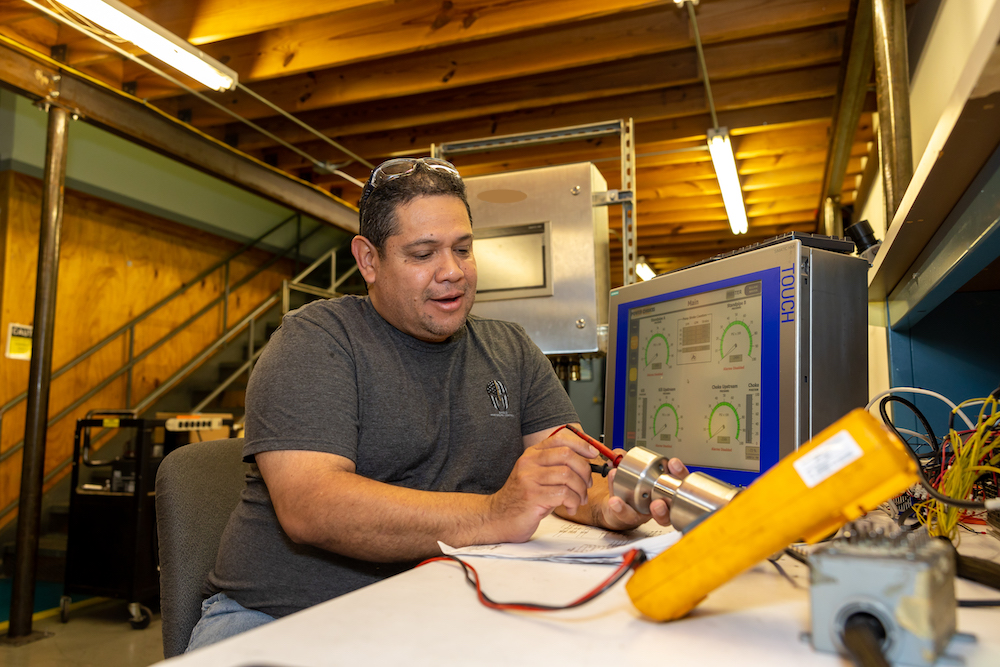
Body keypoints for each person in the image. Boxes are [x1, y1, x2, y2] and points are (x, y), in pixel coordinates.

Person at [187, 157, 686, 650]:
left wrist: (614, 508)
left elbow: (569, 475)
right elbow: (311, 506)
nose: (452, 272)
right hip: (279, 621)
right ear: (368, 261)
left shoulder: (510, 350)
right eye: (423, 253)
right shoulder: (317, 340)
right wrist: (495, 511)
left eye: (463, 249)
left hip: (437, 610)